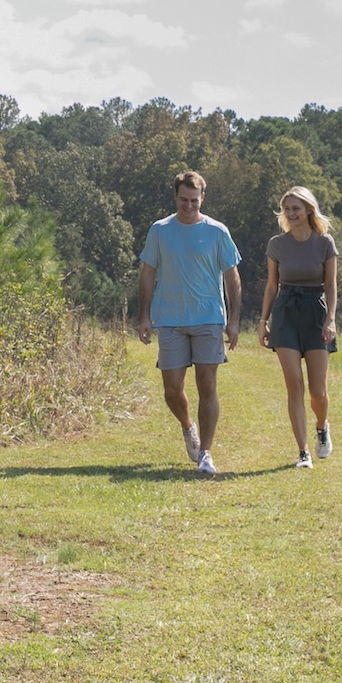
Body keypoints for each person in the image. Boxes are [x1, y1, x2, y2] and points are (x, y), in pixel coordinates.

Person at [135, 170, 242, 476]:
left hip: (208, 318)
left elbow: (232, 277)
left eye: (194, 200)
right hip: (169, 319)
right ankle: (187, 427)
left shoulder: (217, 231)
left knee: (207, 384)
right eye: (184, 199)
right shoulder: (160, 230)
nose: (189, 205)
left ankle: (206, 453)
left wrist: (233, 320)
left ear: (202, 198)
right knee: (171, 389)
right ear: (175, 197)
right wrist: (144, 316)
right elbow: (147, 274)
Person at [258, 186, 338, 468]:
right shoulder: (277, 244)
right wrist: (263, 320)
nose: (291, 214)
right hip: (285, 313)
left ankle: (322, 426)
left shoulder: (324, 242)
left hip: (316, 311)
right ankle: (303, 452)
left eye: (296, 208)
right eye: (287, 209)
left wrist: (331, 319)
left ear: (308, 210)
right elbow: (271, 285)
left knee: (318, 391)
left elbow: (330, 285)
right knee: (294, 386)